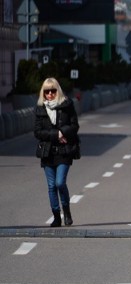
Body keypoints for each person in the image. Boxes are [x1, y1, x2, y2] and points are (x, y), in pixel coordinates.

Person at [33, 78, 80, 227]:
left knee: (60, 183)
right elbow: (38, 132)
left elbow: (75, 126)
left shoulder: (67, 105)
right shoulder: (40, 109)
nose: (50, 94)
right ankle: (56, 216)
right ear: (43, 93)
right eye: (47, 91)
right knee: (51, 186)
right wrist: (57, 135)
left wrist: (63, 132)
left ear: (57, 90)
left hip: (64, 152)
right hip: (47, 152)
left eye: (53, 90)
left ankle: (66, 211)